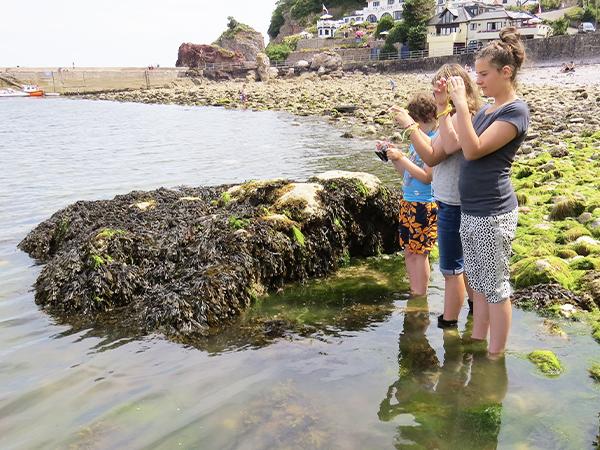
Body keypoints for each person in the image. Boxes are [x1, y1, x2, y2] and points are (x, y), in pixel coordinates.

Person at [447, 27, 530, 356]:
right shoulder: (485, 110)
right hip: (472, 211)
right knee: (478, 286)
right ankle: (478, 341)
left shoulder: (515, 111)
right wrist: (445, 106)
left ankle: (495, 358)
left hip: (494, 213)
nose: (478, 81)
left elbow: (474, 149)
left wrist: (462, 107)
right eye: (475, 75)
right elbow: (454, 143)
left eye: (483, 74)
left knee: (496, 288)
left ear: (505, 72)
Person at [389, 64, 482, 328]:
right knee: (458, 266)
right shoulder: (451, 117)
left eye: (442, 87)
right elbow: (431, 153)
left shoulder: (462, 116)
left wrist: (409, 127)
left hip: (451, 202)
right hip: (446, 200)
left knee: (453, 269)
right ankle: (472, 318)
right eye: (435, 88)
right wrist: (398, 157)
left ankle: (450, 324)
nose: (437, 92)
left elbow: (435, 155)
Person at [381, 93, 438, 297]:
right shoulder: (416, 141)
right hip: (409, 200)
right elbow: (407, 175)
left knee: (420, 253)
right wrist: (395, 158)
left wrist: (402, 158)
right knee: (409, 251)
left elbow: (426, 177)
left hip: (424, 204)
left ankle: (420, 295)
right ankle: (415, 291)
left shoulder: (433, 140)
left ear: (429, 117)